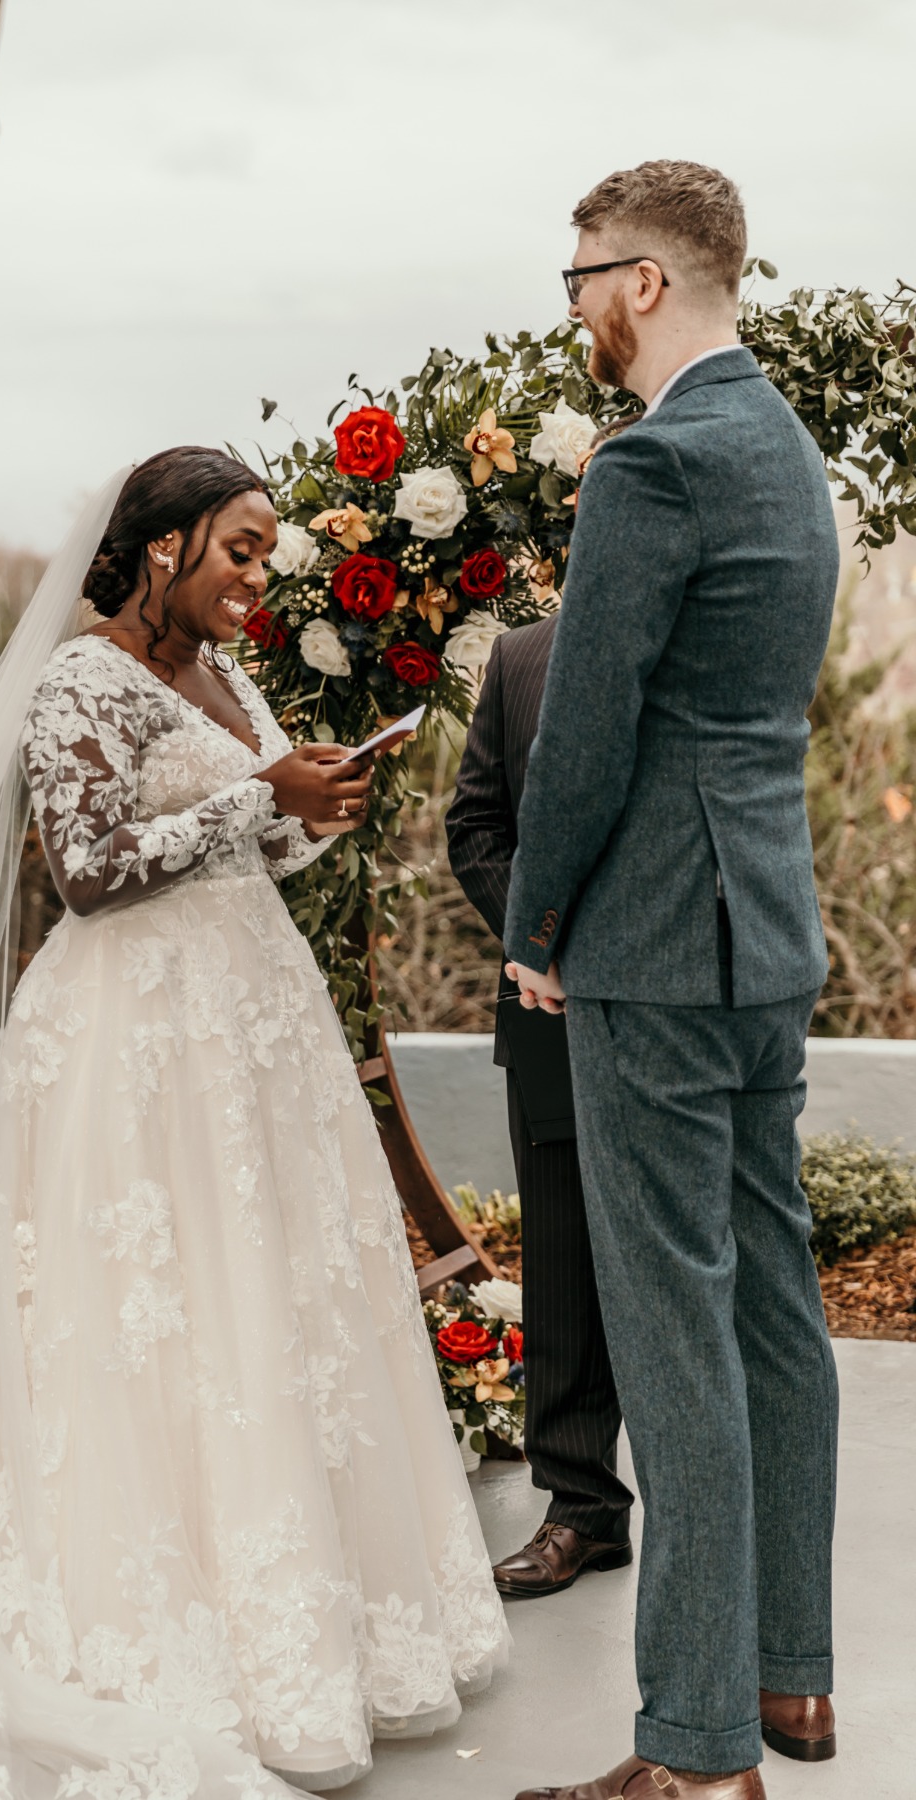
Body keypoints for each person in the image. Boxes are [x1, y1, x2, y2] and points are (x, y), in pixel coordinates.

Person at [0, 448, 507, 1797]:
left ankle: (312, 1619)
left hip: (249, 1024)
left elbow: (248, 835)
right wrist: (265, 796)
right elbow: (86, 873)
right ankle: (147, 1628)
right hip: (133, 1037)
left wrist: (308, 804)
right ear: (164, 547)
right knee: (155, 1311)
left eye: (269, 556)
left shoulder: (226, 672)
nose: (259, 579)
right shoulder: (82, 677)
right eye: (241, 551)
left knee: (269, 1306)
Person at [504, 162, 841, 1800]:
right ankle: (793, 1680)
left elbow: (584, 739)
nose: (572, 305)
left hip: (650, 938)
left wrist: (533, 922)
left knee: (674, 1332)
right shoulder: (785, 449)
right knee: (773, 1304)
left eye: (580, 278)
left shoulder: (650, 467)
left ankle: (697, 1756)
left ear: (642, 282)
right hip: (769, 933)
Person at [446, 420, 640, 1605]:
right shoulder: (518, 660)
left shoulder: (699, 657)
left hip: (675, 1015)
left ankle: (718, 1506)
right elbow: (475, 827)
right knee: (562, 1264)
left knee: (683, 1264)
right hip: (547, 1011)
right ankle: (581, 1508)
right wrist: (536, 946)